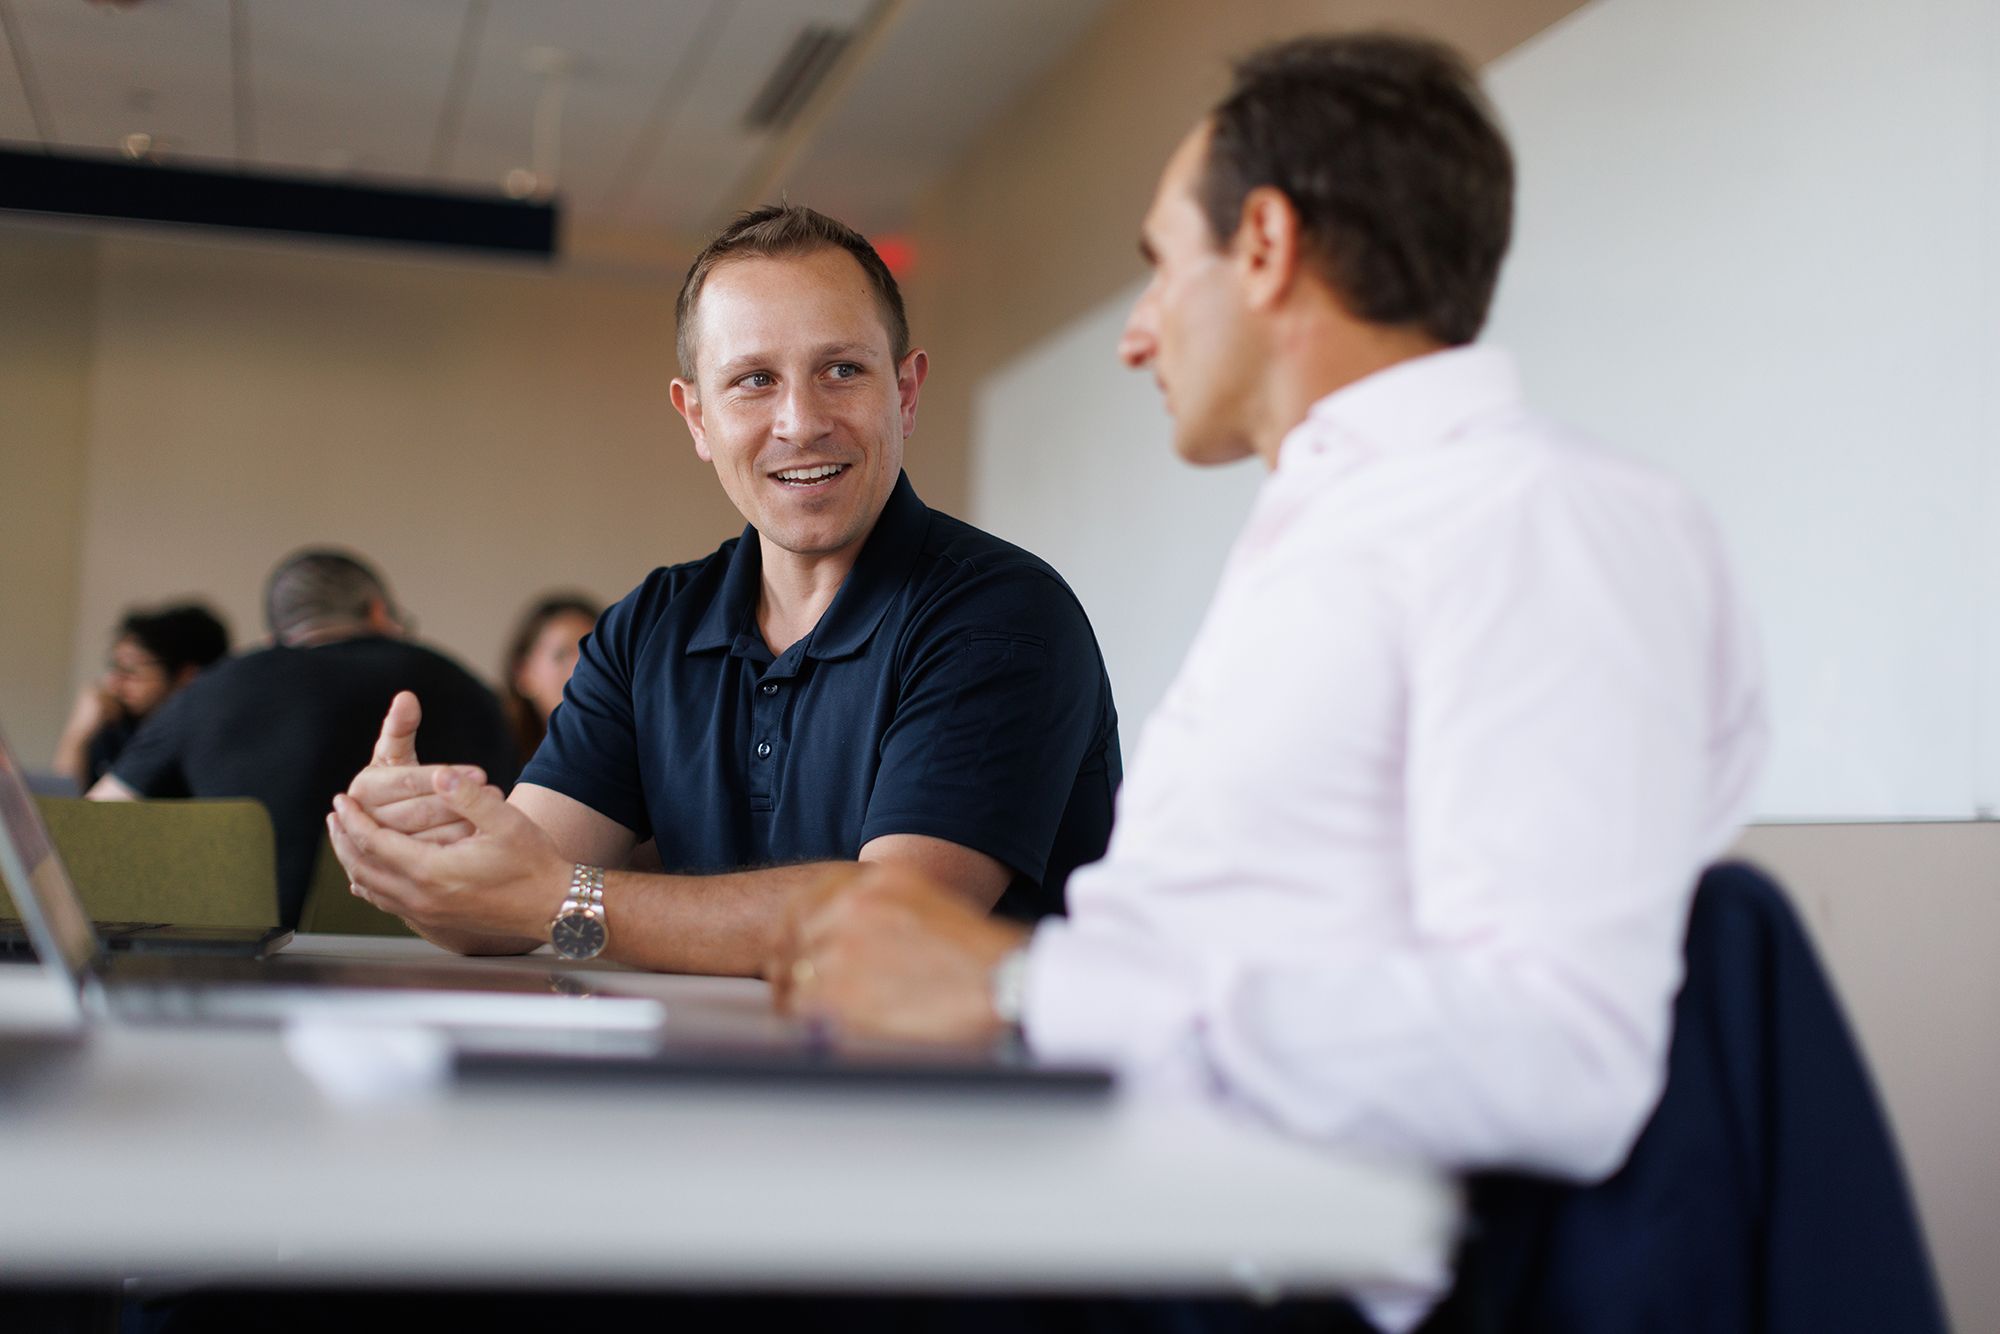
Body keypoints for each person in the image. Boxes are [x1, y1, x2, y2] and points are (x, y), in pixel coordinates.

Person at [769, 32, 1768, 1331]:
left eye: (1155, 269)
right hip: (1125, 1196)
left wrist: (1018, 985)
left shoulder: (1538, 521)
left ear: (1266, 246)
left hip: (1251, 1271)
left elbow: (1559, 1052)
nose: (1135, 335)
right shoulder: (1334, 529)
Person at [329, 206, 1121, 972]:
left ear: (905, 394)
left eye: (842, 370)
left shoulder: (1002, 614)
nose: (801, 421)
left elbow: (888, 924)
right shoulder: (648, 629)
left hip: (956, 1102)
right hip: (711, 1088)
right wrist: (415, 852)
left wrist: (550, 899)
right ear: (697, 417)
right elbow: (502, 911)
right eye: (753, 381)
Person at [91, 549, 517, 929]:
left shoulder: (218, 686)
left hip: (240, 962)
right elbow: (518, 832)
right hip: (435, 951)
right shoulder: (469, 689)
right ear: (378, 611)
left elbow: (95, 826)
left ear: (275, 637)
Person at [52, 602, 229, 792]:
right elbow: (62, 808)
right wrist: (78, 734)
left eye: (130, 671)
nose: (113, 682)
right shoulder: (115, 726)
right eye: (114, 668)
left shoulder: (211, 744)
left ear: (187, 677)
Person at [500, 592, 601, 768]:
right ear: (524, 673)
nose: (582, 666)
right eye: (562, 655)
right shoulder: (492, 758)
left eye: (593, 653)